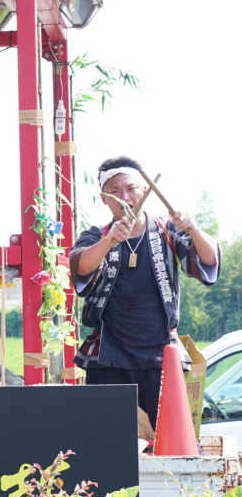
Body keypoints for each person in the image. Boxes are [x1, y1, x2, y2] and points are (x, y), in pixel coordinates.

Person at [71, 156, 221, 428]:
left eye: (131, 188)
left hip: (159, 351)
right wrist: (109, 241)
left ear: (144, 190)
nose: (124, 197)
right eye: (114, 192)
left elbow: (209, 259)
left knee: (170, 433)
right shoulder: (97, 235)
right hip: (108, 353)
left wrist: (193, 228)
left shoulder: (167, 230)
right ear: (103, 199)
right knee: (106, 435)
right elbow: (80, 267)